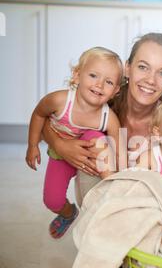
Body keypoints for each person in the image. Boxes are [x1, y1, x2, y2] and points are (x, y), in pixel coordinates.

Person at [41, 33, 162, 197]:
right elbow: (46, 121)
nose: (151, 80)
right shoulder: (102, 96)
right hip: (97, 197)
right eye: (143, 67)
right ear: (127, 68)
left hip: (144, 202)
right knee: (94, 138)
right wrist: (59, 144)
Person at [26, 46, 123, 239]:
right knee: (52, 201)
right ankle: (69, 213)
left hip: (88, 151)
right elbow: (39, 114)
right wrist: (33, 144)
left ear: (115, 91)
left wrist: (118, 175)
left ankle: (112, 188)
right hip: (60, 155)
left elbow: (118, 149)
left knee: (97, 138)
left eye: (109, 82)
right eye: (93, 75)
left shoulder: (109, 118)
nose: (99, 84)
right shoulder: (59, 100)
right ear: (77, 75)